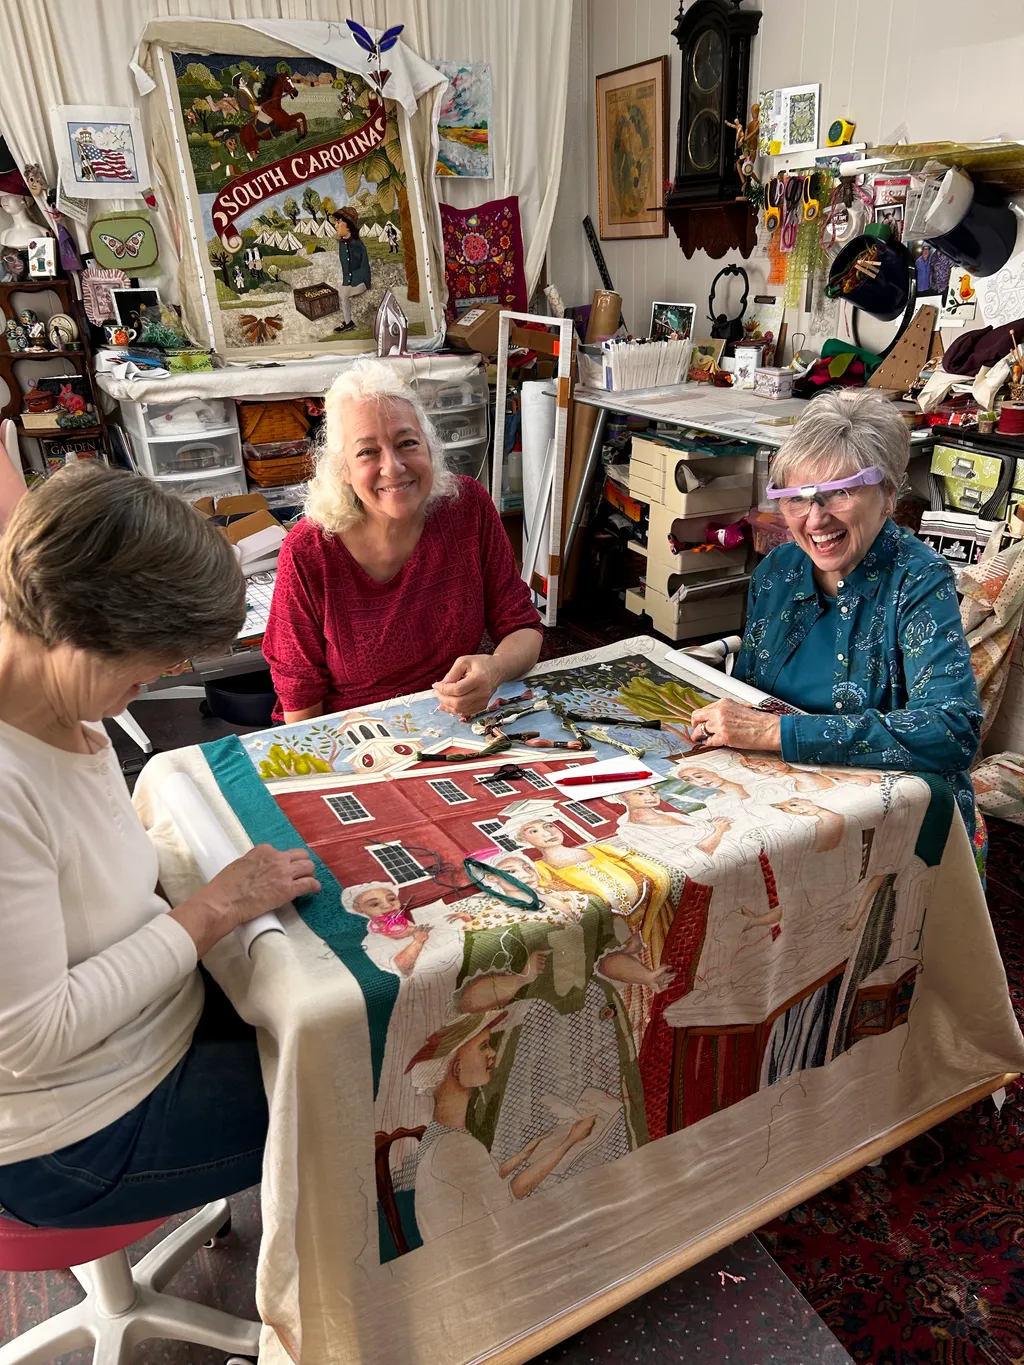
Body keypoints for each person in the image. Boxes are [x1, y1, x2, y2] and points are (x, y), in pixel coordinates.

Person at [0, 464, 320, 1227]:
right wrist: (213, 909)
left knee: (337, 1004)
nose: (165, 677)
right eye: (158, 661)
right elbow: (33, 1038)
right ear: (79, 631)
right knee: (370, 1085)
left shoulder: (59, 701)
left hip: (144, 1029)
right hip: (75, 1129)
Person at [688, 388, 984, 860]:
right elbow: (750, 695)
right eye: (796, 499)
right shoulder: (779, 569)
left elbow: (952, 732)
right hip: (781, 798)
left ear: (888, 494)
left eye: (841, 492)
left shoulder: (919, 581)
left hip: (887, 814)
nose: (815, 518)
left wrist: (773, 734)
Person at [263, 360, 542, 722]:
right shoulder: (309, 552)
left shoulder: (466, 507)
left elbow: (522, 626)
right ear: (342, 469)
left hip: (461, 717)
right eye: (367, 452)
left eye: (407, 443)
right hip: (357, 733)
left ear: (429, 447)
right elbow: (299, 697)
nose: (393, 467)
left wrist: (496, 668)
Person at [331, 206, 372, 332]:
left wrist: (354, 283)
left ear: (348, 225)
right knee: (341, 293)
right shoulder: (342, 245)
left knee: (343, 294)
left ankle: (349, 322)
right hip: (348, 280)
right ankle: (348, 322)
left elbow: (364, 267)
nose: (335, 226)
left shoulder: (358, 245)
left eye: (338, 222)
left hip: (360, 281)